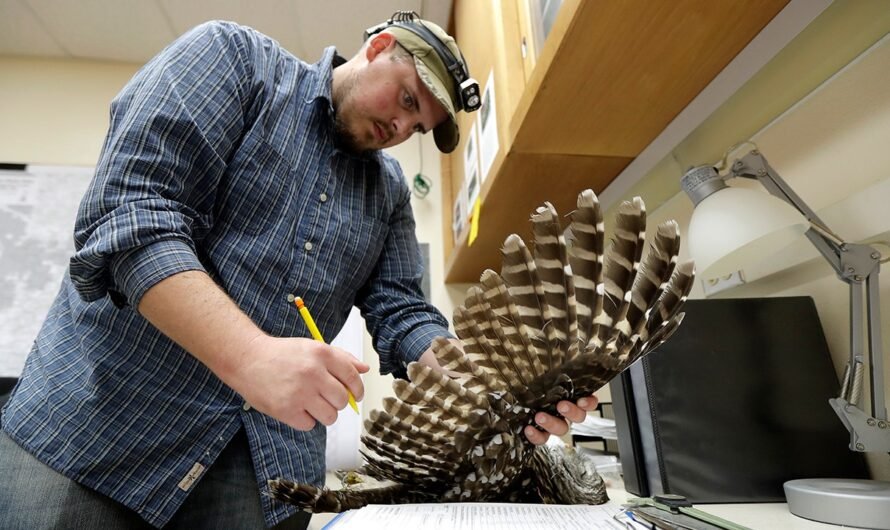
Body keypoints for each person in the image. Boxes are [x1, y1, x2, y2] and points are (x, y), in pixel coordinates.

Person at [0, 13, 597, 530]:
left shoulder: (388, 194)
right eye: (409, 100)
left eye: (416, 128)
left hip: (261, 470)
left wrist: (480, 382)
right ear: (381, 46)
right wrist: (252, 357)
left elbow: (401, 310)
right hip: (98, 429)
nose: (400, 129)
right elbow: (132, 216)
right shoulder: (233, 61)